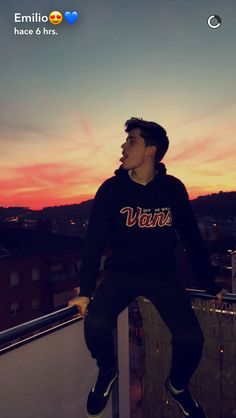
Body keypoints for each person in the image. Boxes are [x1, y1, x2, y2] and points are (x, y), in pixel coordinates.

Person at [68, 117, 224, 418]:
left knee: (191, 338)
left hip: (163, 274)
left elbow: (192, 238)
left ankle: (177, 386)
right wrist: (85, 290)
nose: (123, 147)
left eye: (132, 141)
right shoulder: (112, 189)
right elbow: (94, 242)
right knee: (97, 324)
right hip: (122, 272)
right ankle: (108, 370)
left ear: (150, 150)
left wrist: (211, 284)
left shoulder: (173, 189)